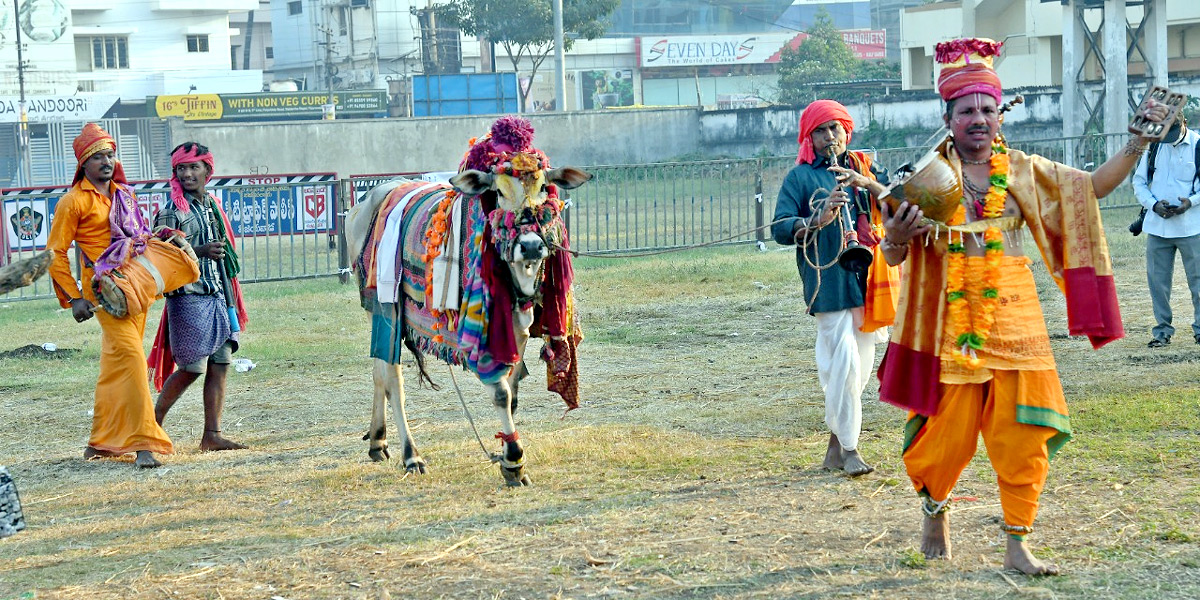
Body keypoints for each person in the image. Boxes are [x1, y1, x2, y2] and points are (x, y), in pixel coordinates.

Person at [876, 38, 1172, 575]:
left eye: (987, 109)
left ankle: (1017, 543)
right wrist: (894, 237)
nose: (979, 119)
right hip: (949, 319)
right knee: (944, 434)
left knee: (1024, 430)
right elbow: (895, 254)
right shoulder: (922, 180)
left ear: (999, 114)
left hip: (1017, 317)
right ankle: (934, 508)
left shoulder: (1023, 172)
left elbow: (1093, 189)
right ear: (948, 118)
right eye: (966, 110)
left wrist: (1136, 143)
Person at [771, 99, 894, 477]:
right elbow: (779, 227)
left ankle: (835, 444)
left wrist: (866, 184)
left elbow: (898, 199)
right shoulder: (800, 177)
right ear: (809, 138)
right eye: (820, 131)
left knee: (859, 364)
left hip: (868, 276)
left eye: (835, 129)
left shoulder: (863, 167)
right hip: (827, 279)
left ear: (847, 131)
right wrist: (817, 219)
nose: (829, 137)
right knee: (842, 362)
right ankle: (852, 449)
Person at [45, 123, 174, 468]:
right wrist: (74, 299)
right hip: (104, 293)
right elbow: (56, 252)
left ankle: (100, 441)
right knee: (132, 361)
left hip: (135, 285)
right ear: (83, 164)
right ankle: (145, 443)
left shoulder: (125, 195)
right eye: (98, 156)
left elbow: (140, 235)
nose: (106, 161)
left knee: (116, 365)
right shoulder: (72, 201)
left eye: (110, 155)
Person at [149, 142, 250, 451]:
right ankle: (150, 427)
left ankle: (212, 435)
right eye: (181, 168)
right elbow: (160, 257)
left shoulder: (212, 206)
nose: (188, 173)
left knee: (221, 362)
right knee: (192, 367)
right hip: (187, 296)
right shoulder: (171, 211)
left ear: (208, 170)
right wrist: (202, 252)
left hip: (218, 293)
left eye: (194, 167)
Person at [1132, 113, 1200, 348]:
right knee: (1158, 284)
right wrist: (1153, 205)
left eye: (1173, 132)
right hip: (1158, 227)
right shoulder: (1154, 147)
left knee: (1198, 283)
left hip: (1191, 227)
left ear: (1185, 124)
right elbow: (1138, 182)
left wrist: (1189, 203)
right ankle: (1162, 331)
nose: (1169, 139)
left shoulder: (1198, 145)